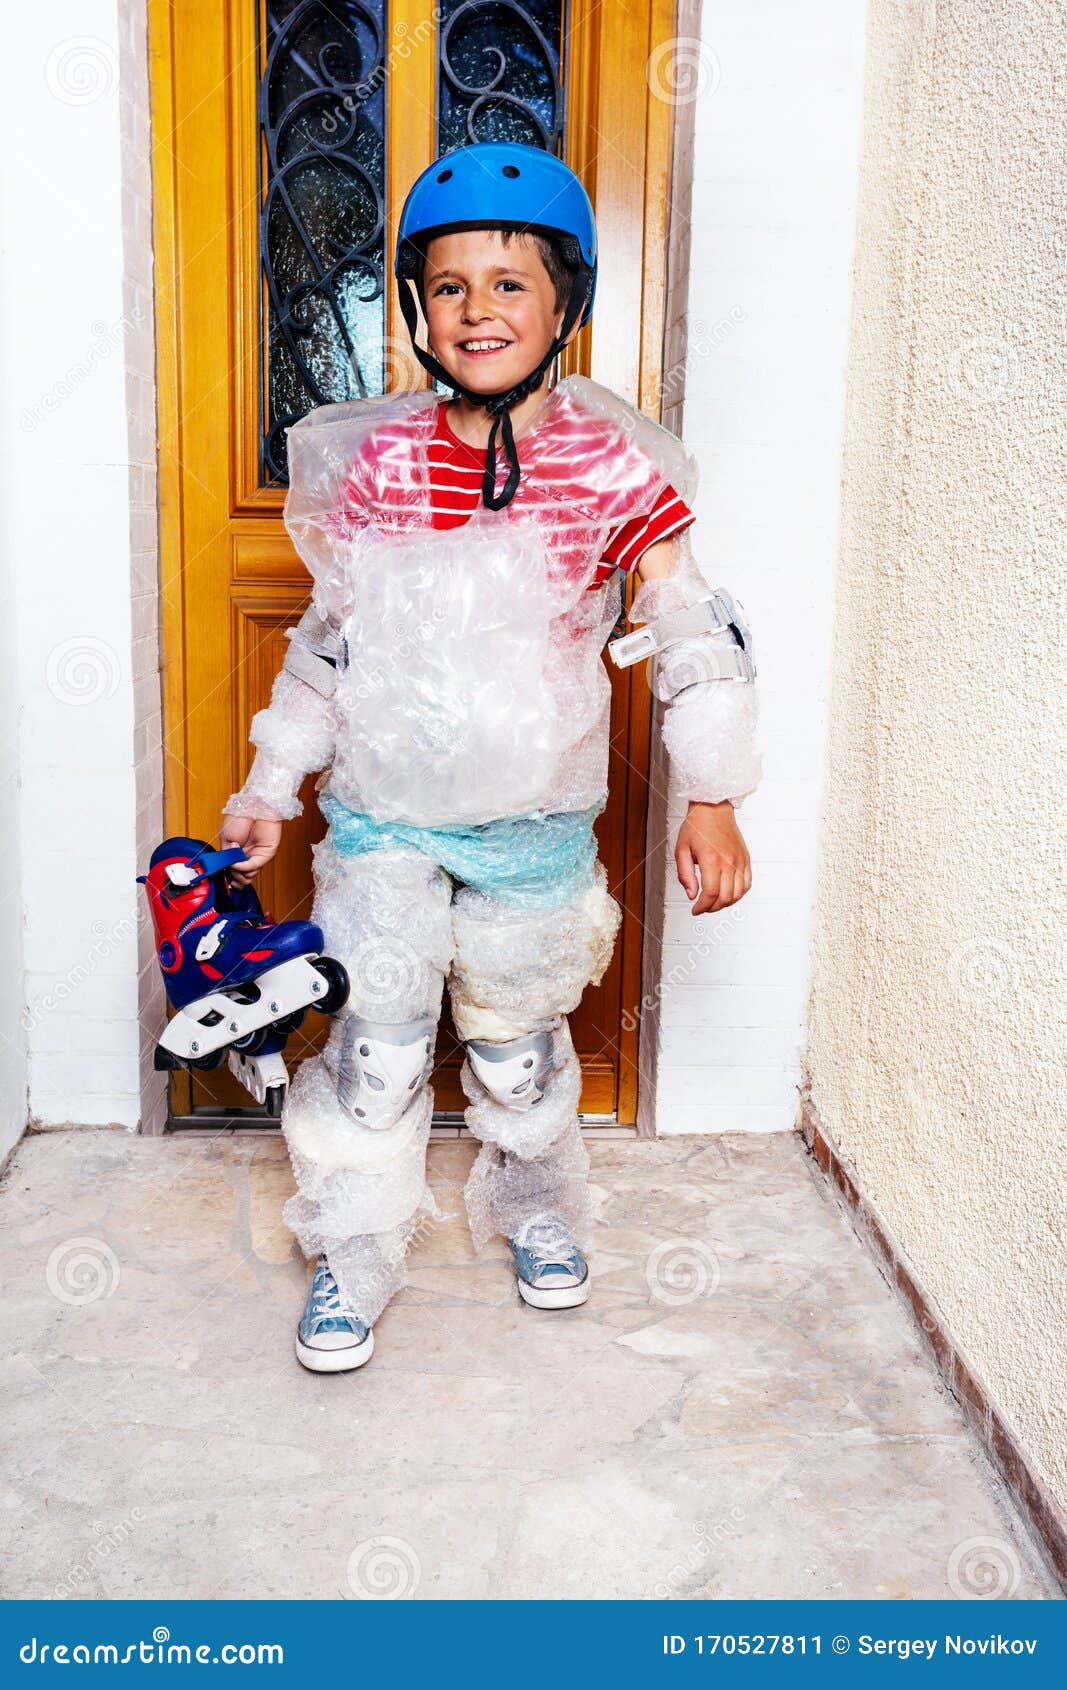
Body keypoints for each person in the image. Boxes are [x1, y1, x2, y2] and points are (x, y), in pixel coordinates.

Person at [220, 142, 761, 1373]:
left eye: (510, 284)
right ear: (415, 307)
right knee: (379, 1050)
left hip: (531, 826)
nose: (479, 311)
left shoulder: (610, 463)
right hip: (382, 822)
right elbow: (329, 645)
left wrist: (716, 793)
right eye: (451, 285)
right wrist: (269, 786)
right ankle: (352, 1250)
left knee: (516, 1048)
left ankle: (534, 1212)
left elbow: (686, 626)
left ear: (563, 300)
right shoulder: (384, 462)